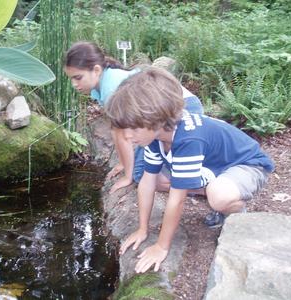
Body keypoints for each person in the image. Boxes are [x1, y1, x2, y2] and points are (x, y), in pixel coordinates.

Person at [104, 67, 274, 274]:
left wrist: (161, 246)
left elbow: (178, 199)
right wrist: (142, 229)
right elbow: (148, 182)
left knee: (219, 197)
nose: (128, 136)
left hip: (248, 165)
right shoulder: (155, 137)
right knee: (155, 180)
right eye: (124, 128)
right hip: (214, 166)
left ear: (157, 119)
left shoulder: (188, 138)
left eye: (133, 128)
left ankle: (235, 212)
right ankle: (215, 189)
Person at [64, 41, 203, 193]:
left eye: (78, 77)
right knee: (146, 170)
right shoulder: (103, 84)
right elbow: (116, 130)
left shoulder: (112, 87)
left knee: (139, 174)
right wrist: (122, 164)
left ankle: (202, 186)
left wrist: (127, 176)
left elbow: (123, 135)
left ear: (96, 70)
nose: (74, 84)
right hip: (165, 116)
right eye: (71, 78)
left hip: (182, 109)